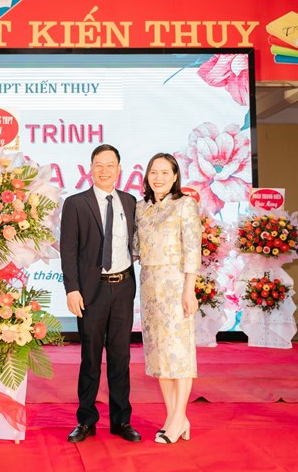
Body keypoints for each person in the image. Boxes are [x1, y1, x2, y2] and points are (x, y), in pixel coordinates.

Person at [60, 144, 141, 443]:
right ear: (90, 168)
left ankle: (121, 421)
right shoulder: (75, 204)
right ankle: (86, 420)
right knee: (90, 357)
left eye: (110, 165)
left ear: (119, 169)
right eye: (99, 165)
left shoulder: (130, 202)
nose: (104, 170)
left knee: (121, 358)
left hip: (123, 287)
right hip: (90, 291)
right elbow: (68, 251)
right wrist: (72, 289)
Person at [135, 152, 202, 445]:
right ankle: (174, 417)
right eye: (154, 172)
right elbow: (134, 247)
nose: (158, 177)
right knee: (160, 355)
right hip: (150, 287)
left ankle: (177, 419)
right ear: (147, 176)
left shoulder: (185, 205)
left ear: (175, 177)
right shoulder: (141, 208)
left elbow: (193, 249)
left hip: (176, 286)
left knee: (179, 353)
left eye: (165, 172)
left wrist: (189, 289)